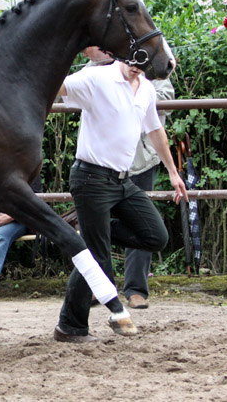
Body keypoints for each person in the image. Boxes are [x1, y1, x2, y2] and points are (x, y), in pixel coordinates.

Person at [53, 54, 187, 343]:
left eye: (143, 61)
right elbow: (58, 86)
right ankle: (70, 327)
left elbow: (154, 130)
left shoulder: (147, 88)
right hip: (91, 178)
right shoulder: (97, 78)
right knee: (98, 257)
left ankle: (92, 234)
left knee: (155, 237)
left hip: (123, 181)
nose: (136, 66)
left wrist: (173, 173)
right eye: (132, 59)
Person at [83, 47, 176, 309]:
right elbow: (81, 86)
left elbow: (166, 95)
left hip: (140, 160)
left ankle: (136, 289)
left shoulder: (151, 63)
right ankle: (100, 286)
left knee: (144, 226)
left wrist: (133, 92)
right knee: (99, 223)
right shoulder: (102, 67)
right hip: (103, 163)